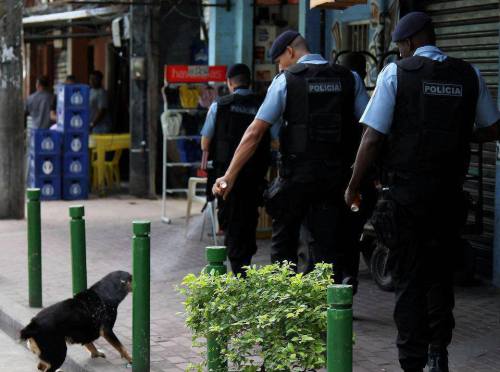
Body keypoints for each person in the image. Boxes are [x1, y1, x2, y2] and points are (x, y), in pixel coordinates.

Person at [344, 12, 500, 372]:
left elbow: (372, 137)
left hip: (406, 198)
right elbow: (493, 129)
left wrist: (353, 185)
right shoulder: (468, 74)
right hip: (449, 197)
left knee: (408, 279)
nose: (400, 54)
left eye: (400, 47)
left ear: (410, 42)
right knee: (441, 276)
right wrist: (463, 136)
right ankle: (438, 353)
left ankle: (411, 361)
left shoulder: (396, 73)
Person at [213, 31, 369, 282]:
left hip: (297, 177)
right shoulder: (349, 78)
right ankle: (330, 310)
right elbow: (371, 130)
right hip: (336, 179)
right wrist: (361, 176)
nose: (279, 65)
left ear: (290, 51)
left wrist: (229, 174)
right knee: (329, 245)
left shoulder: (286, 81)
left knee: (284, 244)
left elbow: (255, 132)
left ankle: (286, 305)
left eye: (279, 60)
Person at [201, 64, 271, 276]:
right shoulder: (263, 105)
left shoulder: (219, 106)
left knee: (230, 221)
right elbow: (274, 139)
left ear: (229, 82)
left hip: (225, 178)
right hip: (255, 177)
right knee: (249, 219)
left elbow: (205, 143)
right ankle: (243, 265)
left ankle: (238, 269)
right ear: (249, 82)